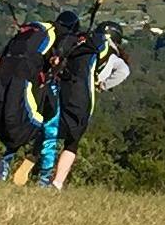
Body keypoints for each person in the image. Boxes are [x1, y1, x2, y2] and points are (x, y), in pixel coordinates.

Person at [44, 13, 132, 190]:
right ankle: (57, 181)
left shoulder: (81, 44)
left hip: (61, 87)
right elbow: (124, 72)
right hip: (83, 94)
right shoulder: (110, 55)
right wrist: (103, 85)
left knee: (50, 127)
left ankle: (39, 168)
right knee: (73, 139)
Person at [0, 17, 59, 186]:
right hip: (24, 81)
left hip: (4, 78)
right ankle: (37, 165)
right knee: (39, 124)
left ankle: (6, 160)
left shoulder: (21, 38)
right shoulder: (50, 36)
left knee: (9, 123)